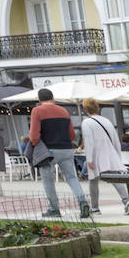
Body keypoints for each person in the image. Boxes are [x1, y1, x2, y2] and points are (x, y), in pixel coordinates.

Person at [29, 88, 89, 219]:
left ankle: (54, 208)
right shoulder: (63, 111)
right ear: (53, 97)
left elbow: (34, 136)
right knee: (72, 177)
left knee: (48, 179)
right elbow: (72, 135)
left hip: (48, 151)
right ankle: (82, 202)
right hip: (67, 149)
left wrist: (34, 145)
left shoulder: (37, 111)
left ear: (39, 99)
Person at [80, 97, 129, 215]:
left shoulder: (87, 122)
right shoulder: (106, 121)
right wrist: (117, 156)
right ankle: (127, 202)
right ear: (97, 107)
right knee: (114, 178)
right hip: (110, 153)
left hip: (96, 154)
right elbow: (115, 141)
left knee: (93, 181)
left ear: (85, 109)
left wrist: (89, 159)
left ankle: (95, 208)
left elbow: (89, 142)